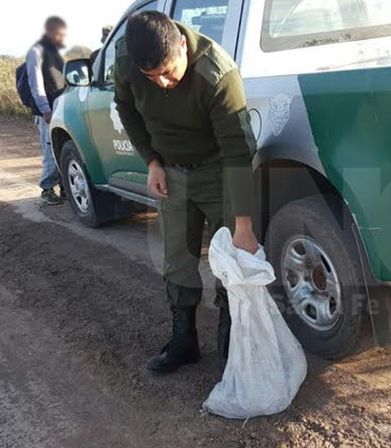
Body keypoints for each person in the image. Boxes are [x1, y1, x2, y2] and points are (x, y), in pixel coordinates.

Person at [114, 11, 259, 375]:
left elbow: (238, 152)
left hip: (218, 170)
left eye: (169, 71)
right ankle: (184, 341)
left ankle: (232, 341)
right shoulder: (126, 59)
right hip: (171, 172)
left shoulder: (217, 74)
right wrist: (152, 162)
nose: (162, 83)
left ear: (182, 44)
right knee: (177, 258)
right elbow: (126, 109)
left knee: (230, 258)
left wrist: (243, 224)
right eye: (153, 76)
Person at [26, 16, 67, 206]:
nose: (62, 39)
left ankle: (64, 186)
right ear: (51, 31)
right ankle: (47, 189)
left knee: (62, 149)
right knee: (51, 151)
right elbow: (36, 84)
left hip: (60, 108)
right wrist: (45, 109)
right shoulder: (37, 52)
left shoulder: (55, 53)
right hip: (47, 112)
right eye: (60, 35)